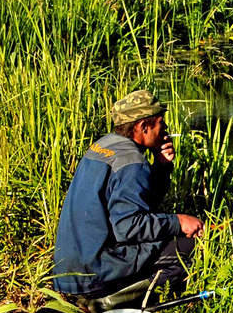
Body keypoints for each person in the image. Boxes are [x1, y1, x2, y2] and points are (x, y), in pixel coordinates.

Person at [52, 90, 204, 300]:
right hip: (93, 276)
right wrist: (178, 222)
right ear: (143, 126)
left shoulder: (102, 145)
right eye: (161, 122)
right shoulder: (132, 162)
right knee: (189, 249)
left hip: (68, 272)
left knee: (163, 238)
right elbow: (128, 227)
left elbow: (139, 205)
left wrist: (161, 168)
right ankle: (113, 302)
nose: (166, 129)